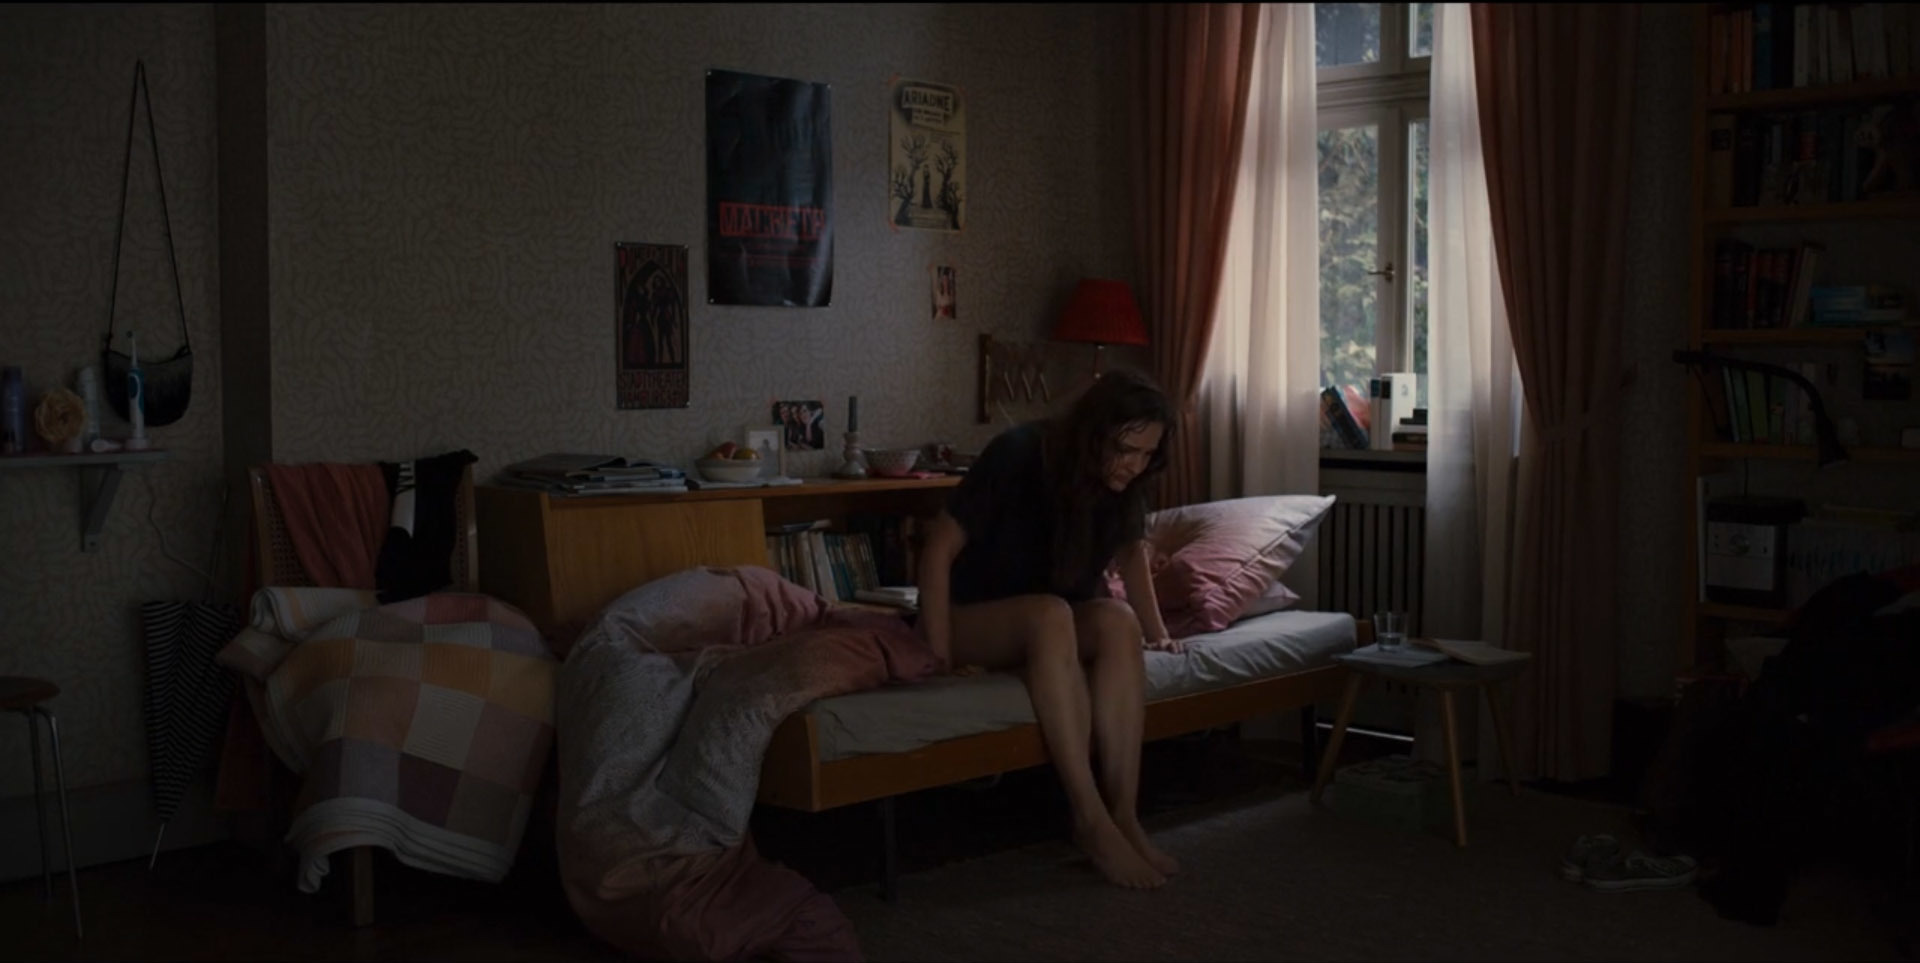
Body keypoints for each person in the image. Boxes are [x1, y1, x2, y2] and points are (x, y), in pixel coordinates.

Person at [915, 368, 1182, 890]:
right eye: (1126, 450)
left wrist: (1157, 632)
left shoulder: (1125, 483)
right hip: (976, 615)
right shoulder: (1018, 453)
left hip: (1050, 619)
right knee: (1049, 613)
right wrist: (937, 655)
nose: (1135, 465)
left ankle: (1123, 816)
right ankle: (1089, 819)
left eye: (1147, 454)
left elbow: (1131, 554)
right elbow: (938, 549)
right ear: (1093, 433)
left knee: (1116, 620)